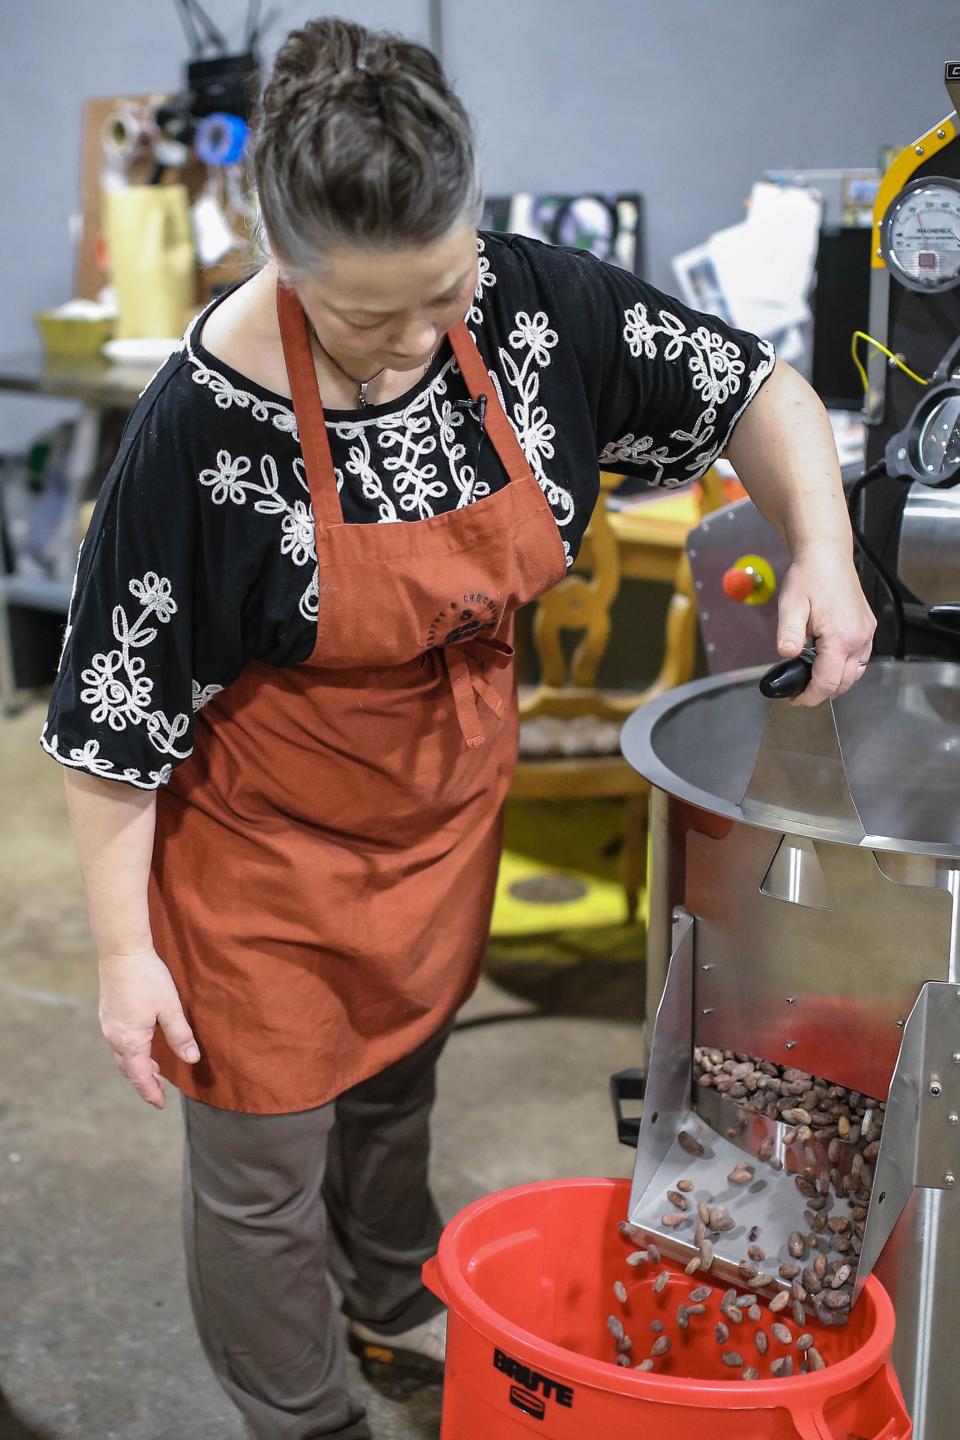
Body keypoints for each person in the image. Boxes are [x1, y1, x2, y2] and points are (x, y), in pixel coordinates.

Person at [41, 17, 876, 1440]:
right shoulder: (201, 432)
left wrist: (827, 551)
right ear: (282, 260)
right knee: (262, 1166)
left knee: (397, 1080)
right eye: (370, 318)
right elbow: (112, 726)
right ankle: (306, 1413)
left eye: (445, 290)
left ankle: (387, 1282)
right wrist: (127, 958)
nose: (425, 340)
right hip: (264, 861)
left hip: (437, 815)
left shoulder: (533, 309)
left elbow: (758, 391)